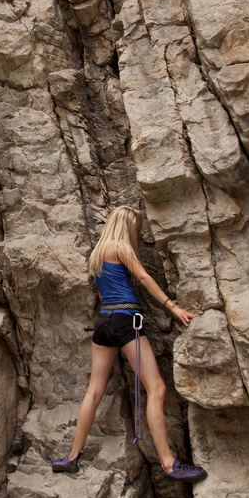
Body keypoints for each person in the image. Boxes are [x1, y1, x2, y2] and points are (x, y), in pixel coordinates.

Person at [52, 205, 207, 482]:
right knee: (157, 389)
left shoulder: (97, 255)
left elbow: (101, 294)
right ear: (126, 226)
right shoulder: (121, 247)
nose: (136, 234)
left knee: (94, 390)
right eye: (136, 229)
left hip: (104, 323)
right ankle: (169, 464)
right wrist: (174, 308)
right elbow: (145, 278)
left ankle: (72, 457)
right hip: (126, 321)